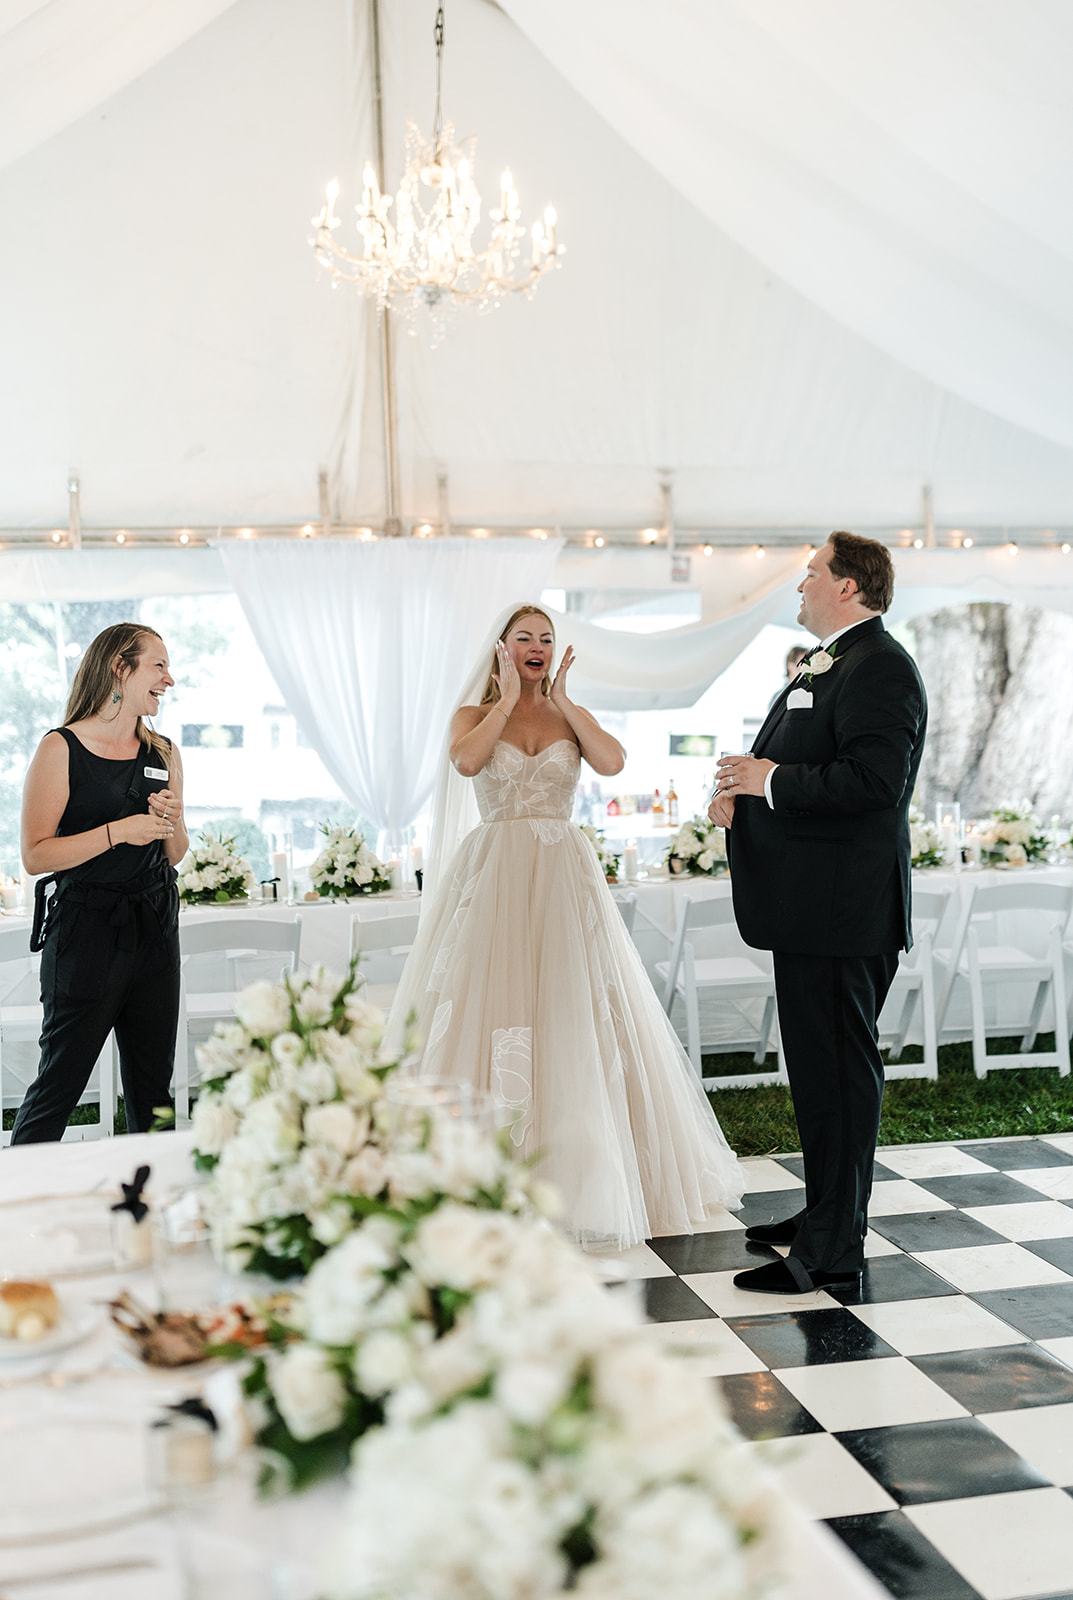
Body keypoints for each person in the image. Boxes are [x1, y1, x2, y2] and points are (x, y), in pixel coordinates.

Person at [391, 603, 744, 1248]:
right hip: (494, 874)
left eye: (547, 640)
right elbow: (467, 763)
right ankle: (485, 1171)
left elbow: (611, 763)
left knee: (573, 1006)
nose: (538, 647)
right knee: (490, 1004)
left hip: (562, 876)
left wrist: (566, 702)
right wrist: (503, 700)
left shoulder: (565, 714)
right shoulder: (472, 714)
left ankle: (582, 1171)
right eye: (524, 638)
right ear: (501, 648)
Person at [709, 533, 926, 1294]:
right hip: (811, 912)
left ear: (846, 586)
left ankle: (835, 1248)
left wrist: (771, 780)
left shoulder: (882, 667)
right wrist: (746, 791)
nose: (799, 585)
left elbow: (873, 784)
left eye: (810, 575)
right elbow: (806, 764)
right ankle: (822, 1213)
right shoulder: (831, 662)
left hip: (844, 916)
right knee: (816, 1076)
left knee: (838, 1075)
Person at [12, 624, 187, 1143]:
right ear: (119, 667)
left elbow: (175, 853)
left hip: (155, 927)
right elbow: (35, 854)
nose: (169, 679)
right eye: (158, 665)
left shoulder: (164, 752)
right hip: (86, 933)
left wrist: (169, 819)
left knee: (154, 1094)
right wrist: (119, 832)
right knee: (58, 1089)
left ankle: (150, 1211)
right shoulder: (60, 747)